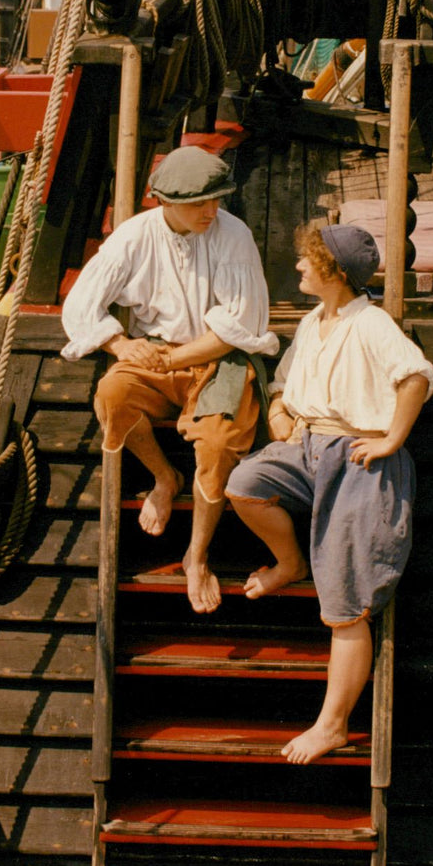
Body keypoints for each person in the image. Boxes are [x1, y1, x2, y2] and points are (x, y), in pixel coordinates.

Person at [226, 222, 433, 765]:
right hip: (309, 450)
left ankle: (332, 724)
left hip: (360, 460)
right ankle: (290, 561)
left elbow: (414, 376)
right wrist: (278, 410)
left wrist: (392, 437)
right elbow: (285, 382)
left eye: (307, 260)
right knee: (245, 484)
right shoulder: (313, 321)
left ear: (335, 272)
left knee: (344, 602)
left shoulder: (371, 324)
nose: (298, 267)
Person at [61, 145, 279, 614]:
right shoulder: (133, 237)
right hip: (157, 352)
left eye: (217, 200)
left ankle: (196, 556)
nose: (211, 210)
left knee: (218, 443)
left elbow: (236, 326)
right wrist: (120, 345)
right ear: (164, 201)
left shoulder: (233, 236)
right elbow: (80, 304)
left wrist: (178, 358)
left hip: (217, 355)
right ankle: (165, 476)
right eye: (200, 202)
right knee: (112, 393)